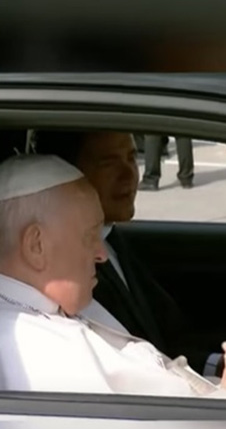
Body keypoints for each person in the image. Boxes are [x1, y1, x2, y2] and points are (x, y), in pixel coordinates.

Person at [0, 153, 226, 401]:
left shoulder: (56, 306)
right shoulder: (35, 350)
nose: (101, 254)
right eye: (90, 236)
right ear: (36, 245)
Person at [35, 130, 188, 364]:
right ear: (67, 174)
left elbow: (162, 338)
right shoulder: (60, 272)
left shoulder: (111, 236)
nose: (129, 174)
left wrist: (216, 363)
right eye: (109, 163)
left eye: (131, 158)